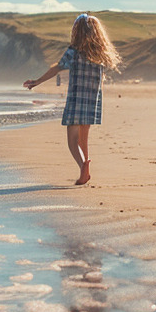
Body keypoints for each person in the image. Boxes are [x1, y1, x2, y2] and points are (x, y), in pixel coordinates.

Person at [23, 13, 121, 186]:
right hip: (92, 101)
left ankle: (83, 165)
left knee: (72, 140)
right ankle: (86, 166)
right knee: (84, 138)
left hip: (76, 99)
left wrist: (37, 82)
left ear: (76, 32)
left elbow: (57, 68)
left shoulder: (73, 52)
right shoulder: (101, 54)